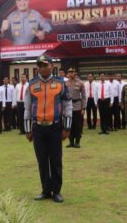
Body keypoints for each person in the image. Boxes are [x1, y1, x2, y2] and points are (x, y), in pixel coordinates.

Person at [24, 54, 71, 203]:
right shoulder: (31, 84)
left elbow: (67, 105)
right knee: (42, 161)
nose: (42, 68)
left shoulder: (60, 83)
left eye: (45, 65)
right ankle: (45, 190)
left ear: (52, 66)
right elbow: (27, 107)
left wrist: (67, 127)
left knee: (56, 160)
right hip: (38, 128)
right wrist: (28, 129)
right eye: (39, 65)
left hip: (55, 127)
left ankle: (56, 191)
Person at [66, 68, 86, 148]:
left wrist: (83, 108)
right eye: (69, 72)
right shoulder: (65, 83)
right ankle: (71, 142)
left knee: (78, 125)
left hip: (77, 106)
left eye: (72, 72)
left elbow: (84, 96)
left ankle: (77, 142)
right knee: (69, 125)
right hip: (68, 107)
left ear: (75, 73)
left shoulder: (80, 83)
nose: (70, 73)